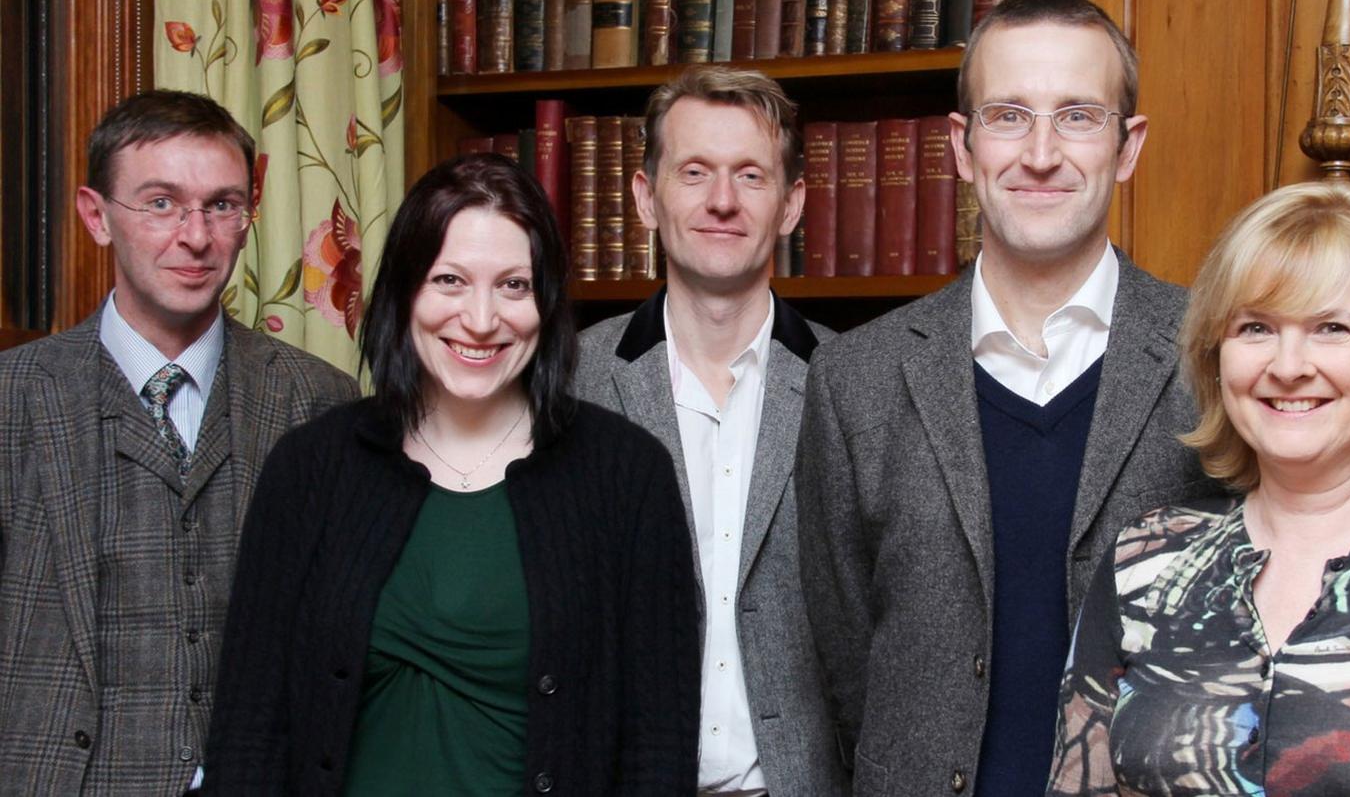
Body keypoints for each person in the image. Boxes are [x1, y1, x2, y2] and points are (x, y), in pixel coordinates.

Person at [795, 0, 1217, 794]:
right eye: (1009, 116)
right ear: (962, 145)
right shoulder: (856, 381)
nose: (1041, 153)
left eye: (1079, 116)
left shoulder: (1216, 359)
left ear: (1128, 147)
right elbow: (849, 661)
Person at [203, 153, 700, 795]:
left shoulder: (628, 476)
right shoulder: (309, 468)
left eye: (514, 286)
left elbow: (657, 748)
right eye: (450, 281)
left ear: (546, 302)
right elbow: (248, 729)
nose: (482, 319)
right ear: (405, 289)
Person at [1045, 181, 1350, 795]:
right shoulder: (1142, 562)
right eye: (1256, 327)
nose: (1287, 367)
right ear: (1218, 354)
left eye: (1331, 327)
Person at [0, 90, 357, 793]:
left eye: (222, 205)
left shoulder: (321, 401)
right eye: (160, 203)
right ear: (96, 217)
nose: (195, 236)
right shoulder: (12, 399)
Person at [576, 65, 845, 796]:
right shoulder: (568, 383)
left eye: (750, 176)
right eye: (694, 172)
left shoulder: (852, 383)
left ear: (790, 205)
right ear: (644, 197)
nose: (722, 201)